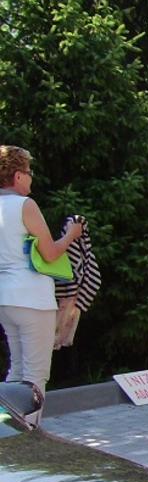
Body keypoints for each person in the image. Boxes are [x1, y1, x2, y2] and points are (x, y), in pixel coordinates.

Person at [0, 145, 83, 424]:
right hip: (32, 298)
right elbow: (50, 253)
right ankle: (31, 436)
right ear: (17, 176)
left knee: (16, 371)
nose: (31, 177)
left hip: (5, 297)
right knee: (36, 374)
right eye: (28, 172)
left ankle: (9, 433)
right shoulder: (25, 205)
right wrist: (71, 235)